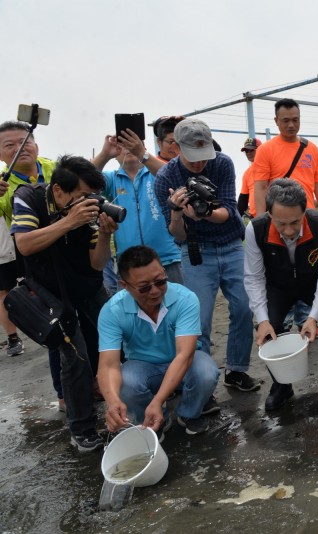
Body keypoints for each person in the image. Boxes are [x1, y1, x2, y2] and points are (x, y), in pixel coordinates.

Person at [12, 155, 118, 452]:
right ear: (58, 191)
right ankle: (81, 428)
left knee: (109, 345)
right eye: (83, 196)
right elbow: (24, 244)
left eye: (93, 196)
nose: (90, 202)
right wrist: (68, 221)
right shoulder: (30, 198)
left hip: (87, 285)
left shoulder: (89, 212)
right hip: (50, 291)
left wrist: (105, 234)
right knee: (76, 356)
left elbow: (97, 265)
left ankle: (113, 404)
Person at [154, 118, 258, 393]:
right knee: (198, 319)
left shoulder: (222, 163)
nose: (200, 164)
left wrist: (203, 213)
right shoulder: (165, 178)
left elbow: (227, 212)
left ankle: (236, 370)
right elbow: (178, 235)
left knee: (245, 308)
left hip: (232, 244)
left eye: (204, 157)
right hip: (196, 250)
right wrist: (177, 212)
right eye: (193, 158)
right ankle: (201, 382)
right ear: (176, 148)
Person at [244, 179, 318, 411]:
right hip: (278, 286)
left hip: (313, 284)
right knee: (269, 326)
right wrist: (262, 320)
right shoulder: (256, 228)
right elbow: (253, 277)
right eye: (281, 224)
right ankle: (282, 385)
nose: (290, 230)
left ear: (305, 210)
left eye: (295, 222)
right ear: (270, 214)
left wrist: (313, 317)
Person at [98, 246, 219, 437]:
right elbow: (108, 365)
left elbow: (184, 355)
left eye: (160, 281)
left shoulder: (185, 299)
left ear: (164, 272)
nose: (155, 291)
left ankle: (188, 413)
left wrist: (158, 399)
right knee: (125, 383)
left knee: (206, 372)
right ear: (124, 285)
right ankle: (153, 419)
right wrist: (112, 401)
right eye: (144, 287)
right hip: (143, 366)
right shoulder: (112, 310)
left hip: (183, 361)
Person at [0, 121, 65, 405]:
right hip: (37, 268)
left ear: (36, 145)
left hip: (73, 259)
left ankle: (93, 383)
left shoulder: (56, 169)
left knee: (89, 324)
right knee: (56, 331)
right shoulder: (3, 186)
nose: (19, 149)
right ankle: (64, 395)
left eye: (24, 142)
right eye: (9, 145)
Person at [92, 131, 183, 283]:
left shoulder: (157, 173)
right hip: (129, 264)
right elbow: (82, 178)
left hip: (168, 259)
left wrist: (144, 155)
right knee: (130, 307)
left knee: (177, 305)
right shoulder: (111, 179)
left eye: (132, 144)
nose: (128, 149)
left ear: (143, 147)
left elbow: (175, 176)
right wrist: (104, 154)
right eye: (122, 145)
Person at [251, 99, 318, 216]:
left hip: (307, 216)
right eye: (286, 121)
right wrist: (261, 220)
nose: (291, 125)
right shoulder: (265, 150)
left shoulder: (311, 148)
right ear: (276, 121)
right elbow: (261, 187)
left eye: (295, 120)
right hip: (279, 219)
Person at [237, 137, 262, 219]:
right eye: (246, 151)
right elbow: (243, 200)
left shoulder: (272, 168)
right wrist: (236, 219)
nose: (249, 153)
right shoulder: (247, 173)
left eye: (252, 150)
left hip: (271, 216)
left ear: (261, 149)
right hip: (255, 219)